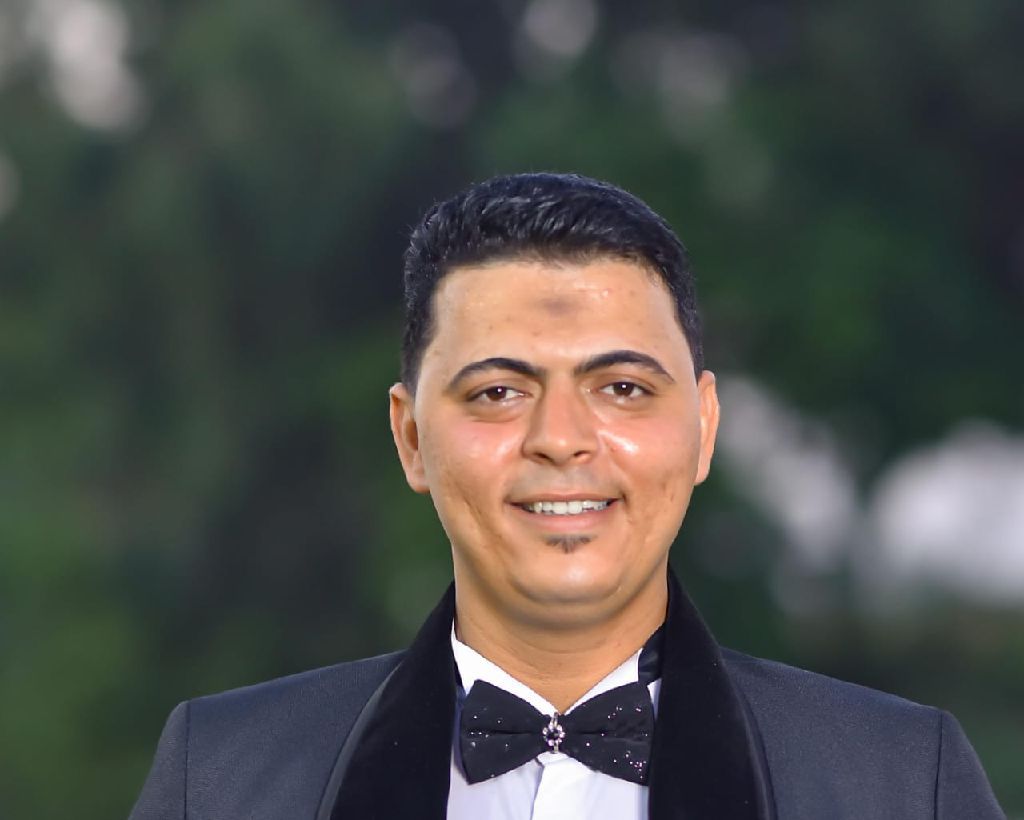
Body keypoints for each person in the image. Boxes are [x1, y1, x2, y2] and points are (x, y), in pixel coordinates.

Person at [129, 173, 1005, 819]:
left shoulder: (900, 782)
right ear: (411, 437)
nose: (560, 438)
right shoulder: (222, 778)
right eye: (497, 392)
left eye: (622, 388)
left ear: (703, 427)